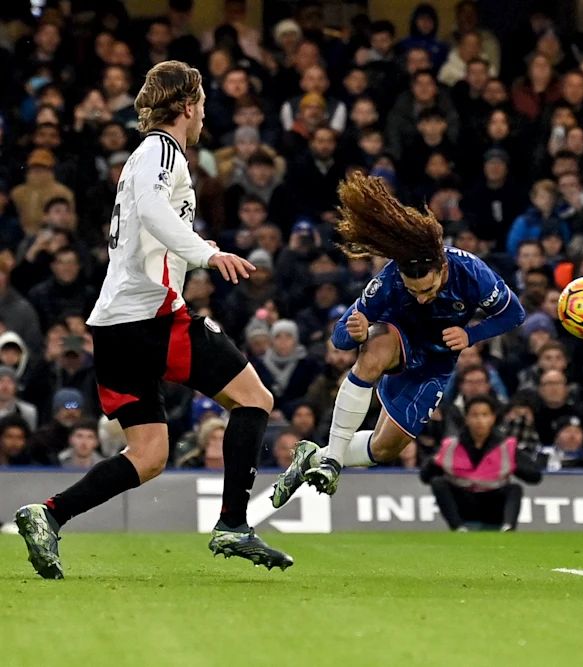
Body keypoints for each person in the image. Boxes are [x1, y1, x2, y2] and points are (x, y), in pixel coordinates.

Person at [13, 61, 293, 580]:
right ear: (188, 106)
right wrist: (207, 258)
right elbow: (154, 214)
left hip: (117, 326)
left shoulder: (149, 158)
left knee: (148, 454)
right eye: (203, 102)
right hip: (151, 318)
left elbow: (146, 233)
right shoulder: (162, 150)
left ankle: (48, 514)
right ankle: (233, 522)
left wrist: (192, 251)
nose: (205, 112)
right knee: (255, 399)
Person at [271, 172, 525, 506]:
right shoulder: (388, 280)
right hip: (398, 340)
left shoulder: (473, 273)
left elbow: (514, 313)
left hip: (435, 363)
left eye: (428, 290)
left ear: (442, 268)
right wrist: (354, 332)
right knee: (375, 347)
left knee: (384, 448)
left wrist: (471, 334)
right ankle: (332, 460)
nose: (421, 298)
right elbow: (340, 338)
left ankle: (313, 459)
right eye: (413, 290)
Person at [420, 395, 540, 531]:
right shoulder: (452, 445)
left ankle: (507, 528)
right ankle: (458, 528)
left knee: (514, 489)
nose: (480, 420)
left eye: (484, 415)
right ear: (466, 418)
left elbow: (535, 476)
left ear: (493, 418)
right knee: (439, 483)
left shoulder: (506, 446)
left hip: (493, 505)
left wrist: (515, 465)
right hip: (464, 503)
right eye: (475, 415)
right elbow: (425, 477)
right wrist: (434, 462)